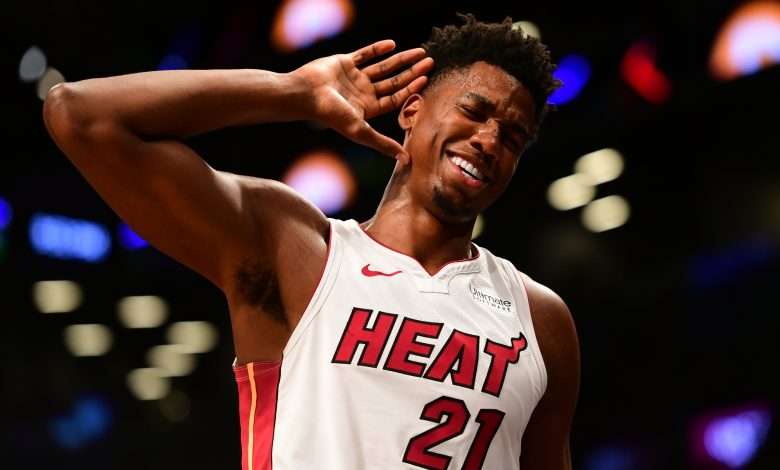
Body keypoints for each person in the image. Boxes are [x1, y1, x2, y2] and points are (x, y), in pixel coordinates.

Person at [43, 13, 580, 470]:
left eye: (511, 137)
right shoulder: (298, 249)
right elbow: (80, 115)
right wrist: (292, 93)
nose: (489, 141)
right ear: (411, 109)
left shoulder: (540, 320)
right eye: (474, 110)